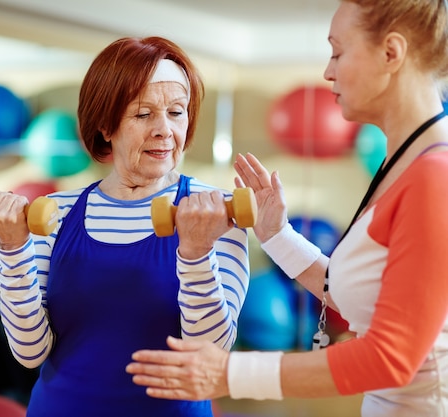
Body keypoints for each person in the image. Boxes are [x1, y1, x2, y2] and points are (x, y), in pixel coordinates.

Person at [126, 1, 448, 416]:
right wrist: (276, 234)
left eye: (338, 51)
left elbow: (391, 358)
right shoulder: (403, 159)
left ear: (391, 53)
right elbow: (358, 293)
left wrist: (229, 373)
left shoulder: (434, 175)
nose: (328, 71)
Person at [0, 36, 251, 417]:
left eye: (176, 112)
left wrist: (197, 250)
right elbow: (29, 351)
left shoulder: (217, 214)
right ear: (106, 125)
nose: (164, 130)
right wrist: (12, 247)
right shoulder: (55, 212)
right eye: (143, 114)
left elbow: (209, 355)